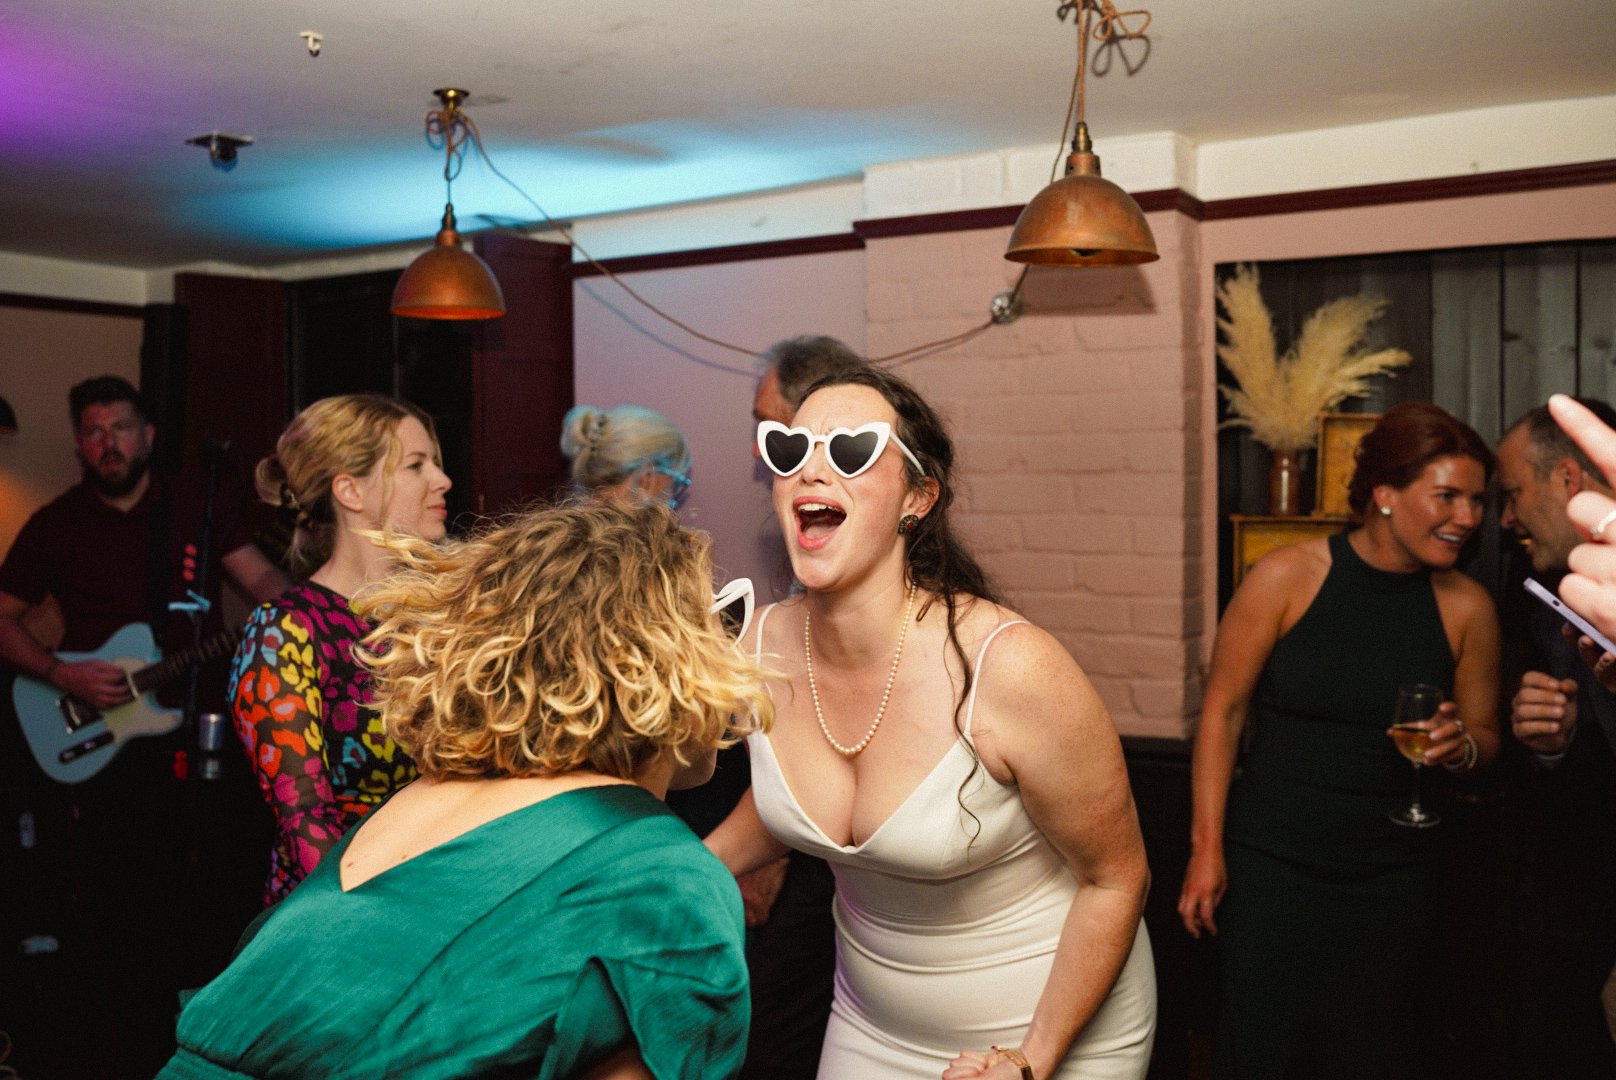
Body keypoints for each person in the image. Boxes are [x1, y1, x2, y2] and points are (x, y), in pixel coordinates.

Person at [157, 499, 773, 1079]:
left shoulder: (421, 798)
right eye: (718, 623)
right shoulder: (666, 876)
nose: (733, 653)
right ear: (656, 660)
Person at [707, 366, 1156, 1080]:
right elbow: (808, 807)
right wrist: (683, 872)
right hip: (869, 1026)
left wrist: (1031, 1060)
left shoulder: (1010, 669)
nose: (814, 471)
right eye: (792, 451)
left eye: (851, 451)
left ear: (917, 498)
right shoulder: (757, 646)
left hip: (1045, 1035)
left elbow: (1116, 879)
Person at [1178, 401, 1501, 1079]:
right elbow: (1223, 714)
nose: (1469, 517)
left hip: (1394, 875)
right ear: (1384, 495)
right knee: (1265, 1048)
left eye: (1477, 499)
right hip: (1273, 866)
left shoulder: (1467, 606)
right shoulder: (1285, 577)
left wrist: (1458, 746)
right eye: (1447, 496)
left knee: (1376, 1050)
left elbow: (1486, 741)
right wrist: (1207, 850)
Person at [0, 375, 290, 1075]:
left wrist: (318, 606)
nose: (109, 443)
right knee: (123, 894)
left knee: (219, 883)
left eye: (121, 428)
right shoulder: (60, 522)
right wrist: (61, 674)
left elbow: (268, 591)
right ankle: (127, 1036)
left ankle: (213, 1023)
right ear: (78, 443)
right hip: (105, 739)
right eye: (94, 431)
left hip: (208, 731)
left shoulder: (196, 506)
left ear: (149, 435)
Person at [229, 394, 447, 903]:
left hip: (448, 895)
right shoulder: (285, 631)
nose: (442, 481)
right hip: (345, 918)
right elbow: (306, 822)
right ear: (350, 491)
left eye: (434, 463)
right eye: (417, 465)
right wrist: (388, 923)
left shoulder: (439, 614)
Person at [1495, 400, 1616, 1067]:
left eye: (1512, 495)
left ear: (1567, 478)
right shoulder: (1541, 591)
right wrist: (1551, 742)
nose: (1504, 519)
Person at [561, 403, 691, 509]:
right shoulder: (643, 540)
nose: (675, 501)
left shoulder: (560, 535)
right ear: (646, 478)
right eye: (677, 484)